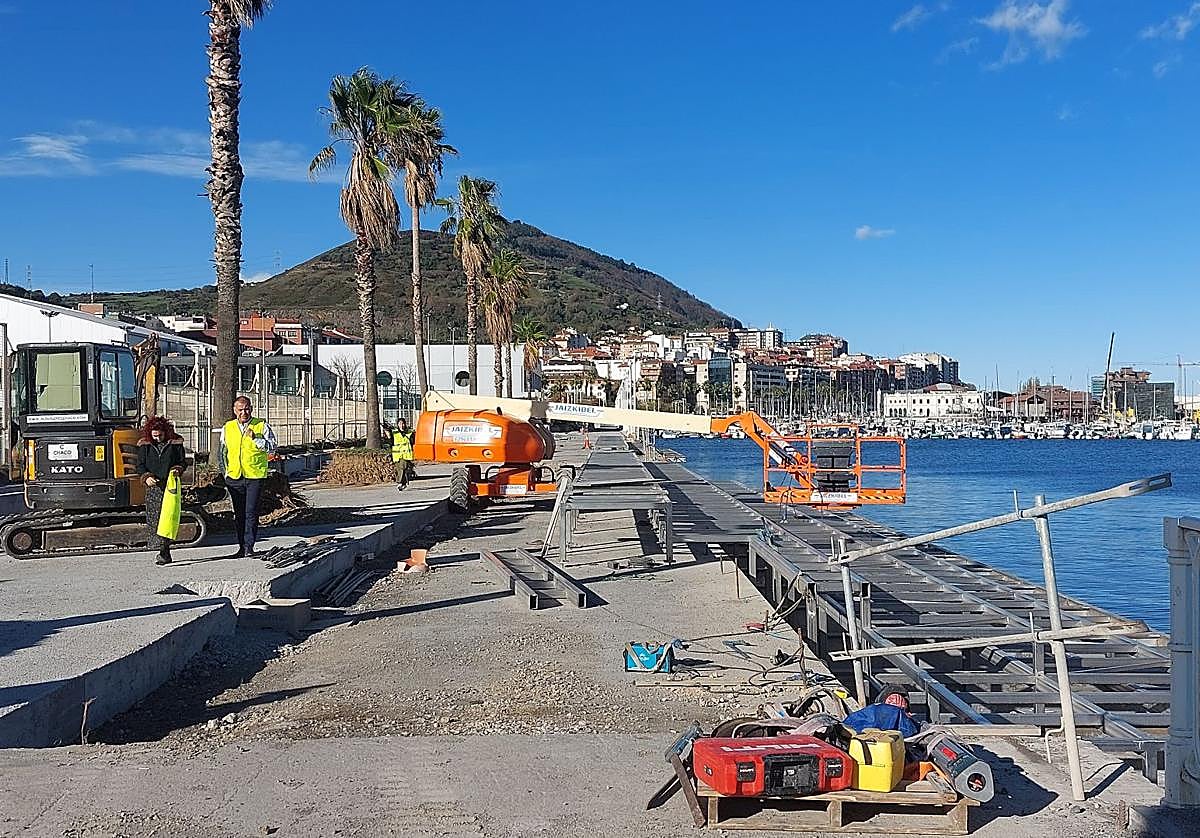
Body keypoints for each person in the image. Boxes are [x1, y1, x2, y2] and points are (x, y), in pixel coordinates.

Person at [219, 396, 277, 558]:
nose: (244, 412)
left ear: (251, 409)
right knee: (239, 513)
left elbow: (272, 448)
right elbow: (222, 452)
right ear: (234, 410)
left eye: (246, 409)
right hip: (235, 477)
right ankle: (241, 547)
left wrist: (256, 438)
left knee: (251, 512)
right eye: (240, 409)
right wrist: (225, 472)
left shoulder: (261, 425)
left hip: (254, 476)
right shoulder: (228, 427)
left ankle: (249, 546)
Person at [136, 416, 187, 566]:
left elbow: (182, 462)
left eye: (160, 435)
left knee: (168, 517)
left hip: (170, 485)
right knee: (156, 518)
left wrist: (177, 469)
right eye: (155, 436)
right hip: (154, 488)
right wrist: (146, 477)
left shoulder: (175, 443)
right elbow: (140, 465)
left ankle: (165, 550)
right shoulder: (145, 445)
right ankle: (161, 549)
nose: (158, 439)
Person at [391, 417, 416, 491]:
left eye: (403, 423)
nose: (401, 425)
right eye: (400, 424)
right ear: (397, 424)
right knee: (400, 469)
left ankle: (399, 482)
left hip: (406, 454)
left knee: (402, 468)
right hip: (397, 455)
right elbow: (391, 441)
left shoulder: (409, 432)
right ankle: (404, 483)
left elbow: (412, 442)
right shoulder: (394, 432)